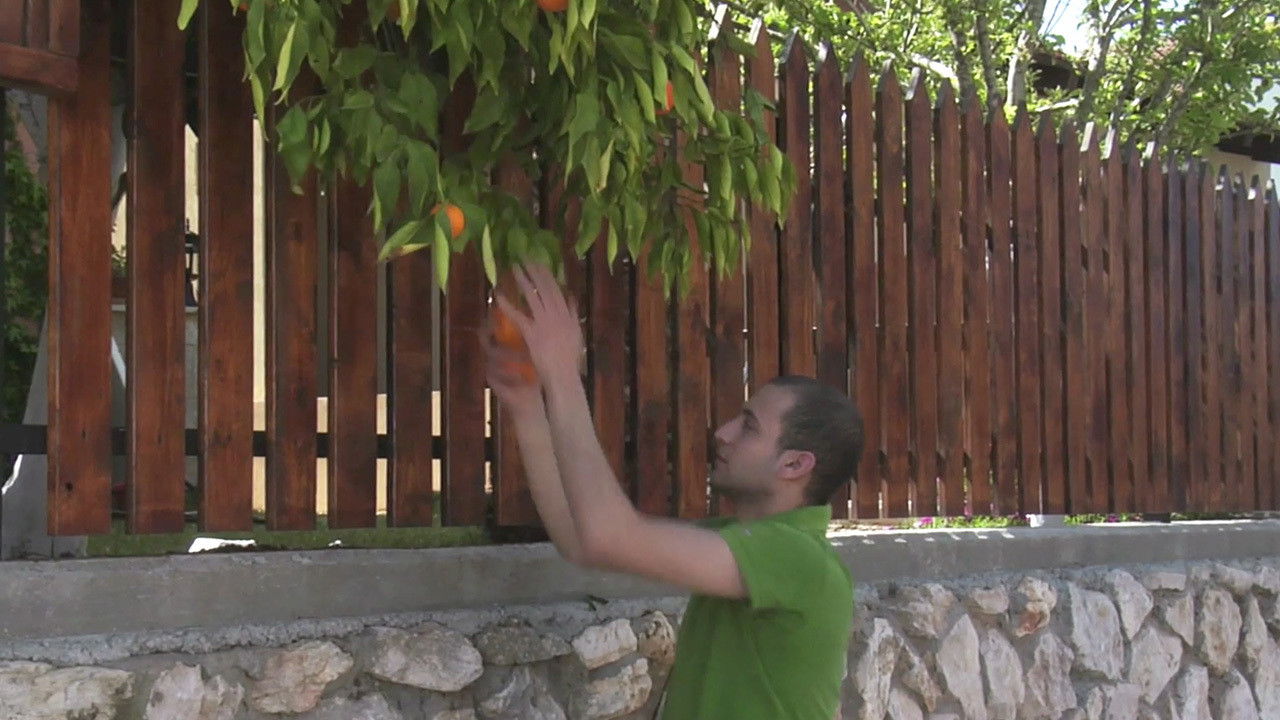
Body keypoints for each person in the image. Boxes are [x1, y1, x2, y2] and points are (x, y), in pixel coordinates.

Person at [485, 263, 863, 720]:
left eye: (748, 427)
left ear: (795, 464)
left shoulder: (798, 558)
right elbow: (583, 542)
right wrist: (528, 406)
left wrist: (563, 373)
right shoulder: (745, 542)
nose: (722, 433)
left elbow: (609, 536)